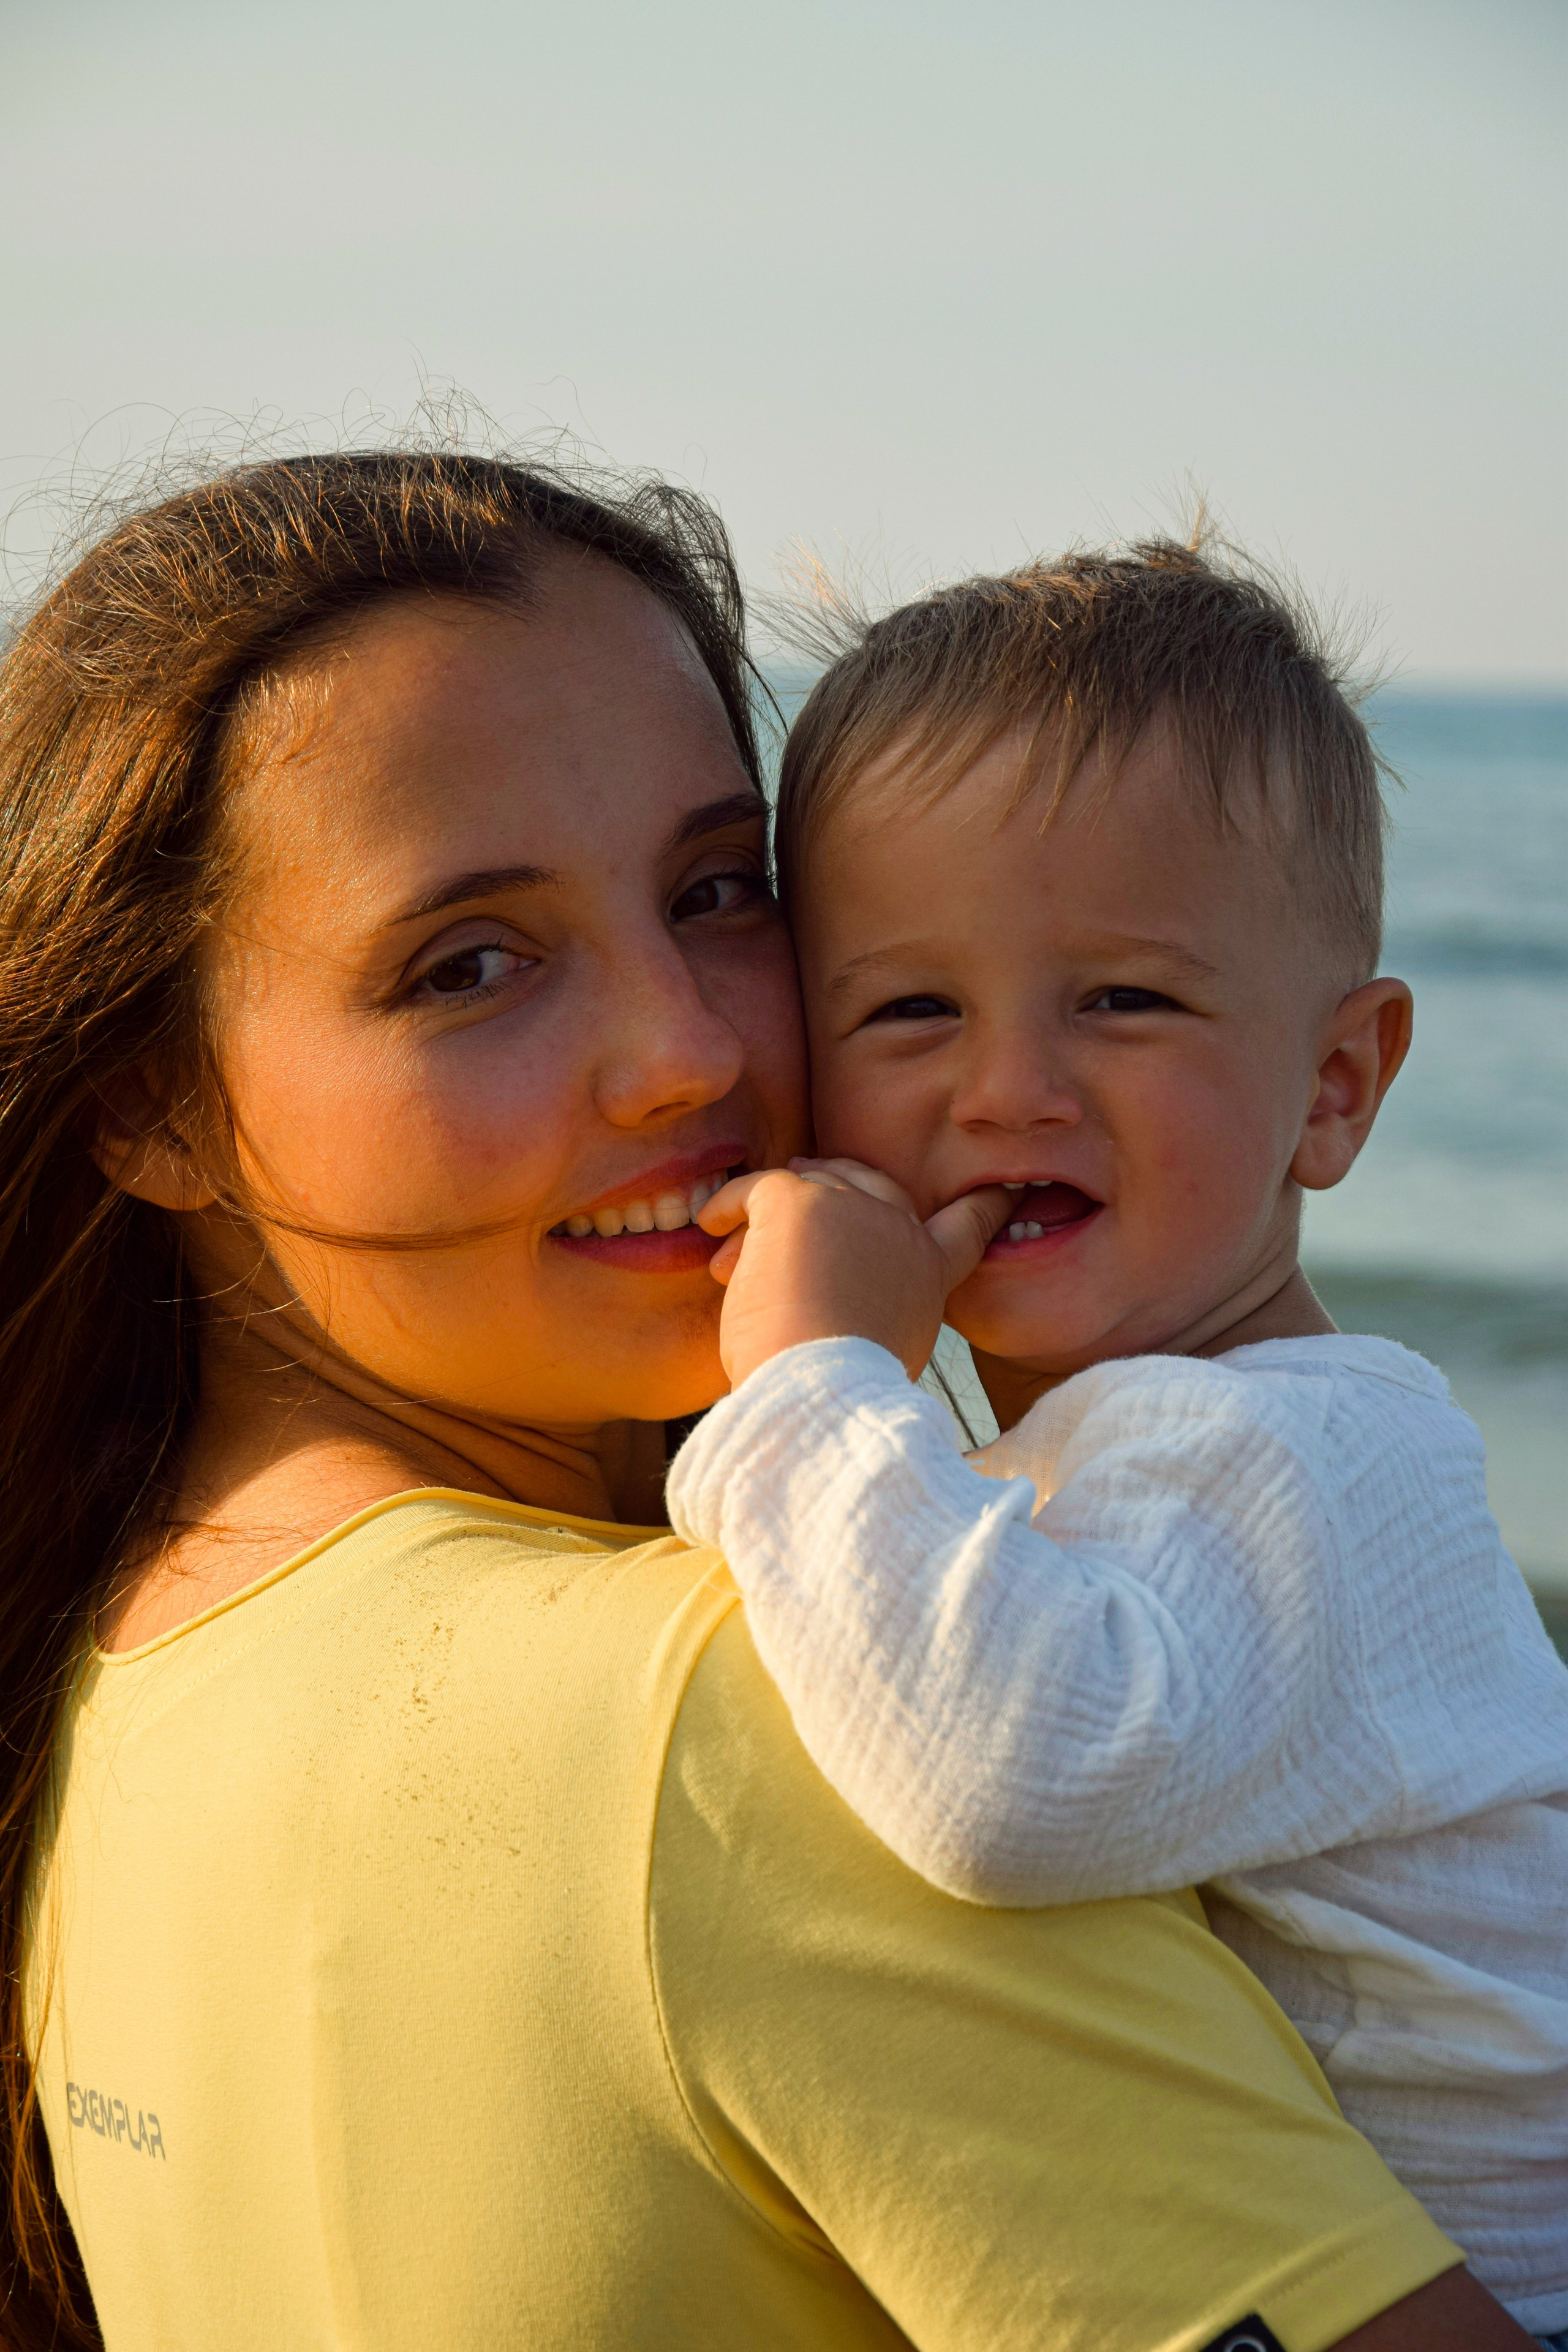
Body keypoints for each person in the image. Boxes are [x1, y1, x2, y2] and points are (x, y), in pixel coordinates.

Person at [1, 456, 1524, 2351]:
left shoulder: (115, 1682)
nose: (695, 1049)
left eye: (721, 893)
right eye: (469, 965)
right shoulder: (766, 1723)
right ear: (143, 1101)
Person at [665, 545, 1568, 2344]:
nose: (1012, 1088)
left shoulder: (1287, 1463)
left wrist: (809, 1382)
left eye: (1126, 1002)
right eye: (912, 1009)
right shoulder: (1164, 1437)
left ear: (1336, 1087)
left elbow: (1002, 1784)